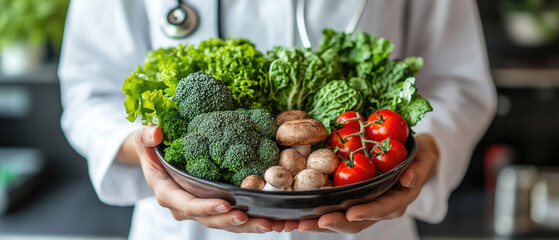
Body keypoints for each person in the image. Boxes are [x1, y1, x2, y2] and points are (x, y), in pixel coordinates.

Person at [58, 0, 496, 239]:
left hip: (363, 214)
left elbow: (458, 82)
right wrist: (148, 154)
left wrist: (423, 155)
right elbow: (89, 89)